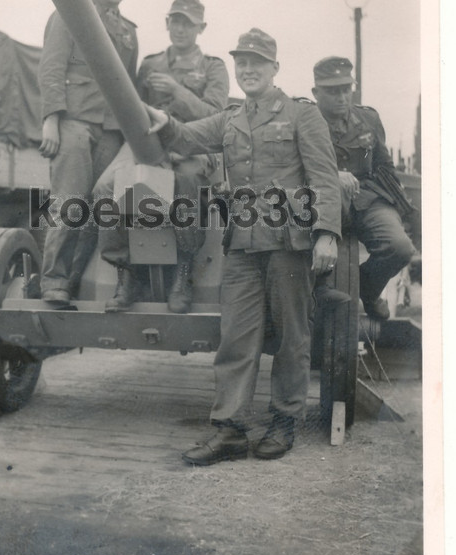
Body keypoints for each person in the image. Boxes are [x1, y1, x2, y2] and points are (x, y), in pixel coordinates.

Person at [146, 28, 342, 465]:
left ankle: (284, 420)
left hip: (288, 244)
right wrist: (163, 123)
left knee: (293, 337)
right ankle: (230, 430)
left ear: (275, 68)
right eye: (242, 62)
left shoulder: (301, 115)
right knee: (235, 338)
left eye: (257, 62)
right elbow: (187, 136)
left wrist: (326, 232)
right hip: (242, 248)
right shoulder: (231, 119)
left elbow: (325, 179)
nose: (248, 69)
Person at [95, 0, 230, 313]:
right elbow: (132, 106)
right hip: (147, 139)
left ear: (202, 27)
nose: (180, 29)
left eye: (188, 24)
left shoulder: (214, 67)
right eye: (175, 22)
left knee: (185, 181)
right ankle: (126, 272)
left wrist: (177, 92)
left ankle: (183, 272)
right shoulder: (151, 64)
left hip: (194, 141)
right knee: (104, 188)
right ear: (167, 23)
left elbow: (217, 116)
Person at [38, 0, 140, 303]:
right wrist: (51, 119)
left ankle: (73, 281)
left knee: (100, 210)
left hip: (111, 131)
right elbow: (51, 66)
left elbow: (128, 86)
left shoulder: (128, 33)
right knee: (68, 204)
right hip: (74, 122)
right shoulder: (71, 12)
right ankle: (53, 281)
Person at [311, 56, 416, 321]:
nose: (342, 97)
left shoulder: (368, 119)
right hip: (323, 200)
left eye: (346, 89)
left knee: (400, 247)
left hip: (367, 198)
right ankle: (320, 287)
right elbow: (293, 166)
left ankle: (366, 290)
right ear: (316, 93)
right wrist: (333, 175)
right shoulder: (305, 122)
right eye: (333, 91)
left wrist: (404, 208)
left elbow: (383, 167)